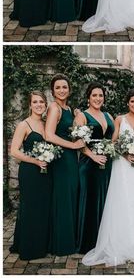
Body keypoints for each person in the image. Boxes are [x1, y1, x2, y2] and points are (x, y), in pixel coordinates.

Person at [82, 88, 134, 266]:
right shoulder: (119, 119)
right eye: (132, 101)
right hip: (123, 166)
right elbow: (113, 142)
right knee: (123, 201)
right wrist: (126, 154)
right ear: (127, 103)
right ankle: (121, 242)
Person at [45, 74, 84, 256]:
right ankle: (62, 244)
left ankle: (69, 239)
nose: (62, 90)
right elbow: (49, 135)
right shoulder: (54, 108)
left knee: (71, 196)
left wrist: (77, 116)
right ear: (53, 91)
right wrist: (73, 146)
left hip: (70, 159)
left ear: (69, 89)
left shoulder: (68, 109)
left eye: (64, 87)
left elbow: (73, 132)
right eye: (58, 87)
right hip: (61, 159)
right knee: (63, 198)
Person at [10, 91, 51, 260]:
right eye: (35, 102)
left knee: (43, 208)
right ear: (30, 105)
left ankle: (42, 244)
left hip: (46, 172)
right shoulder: (24, 125)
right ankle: (29, 247)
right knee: (30, 207)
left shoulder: (46, 124)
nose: (39, 104)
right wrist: (34, 161)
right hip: (30, 172)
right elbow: (13, 151)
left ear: (45, 104)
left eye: (41, 101)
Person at [75, 82, 115, 254]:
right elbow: (77, 142)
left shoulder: (108, 115)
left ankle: (104, 239)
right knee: (91, 200)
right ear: (88, 98)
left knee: (106, 200)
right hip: (89, 164)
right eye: (94, 96)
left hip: (107, 164)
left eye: (101, 95)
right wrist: (93, 156)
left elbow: (114, 139)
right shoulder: (82, 116)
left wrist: (109, 150)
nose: (98, 98)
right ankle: (88, 242)